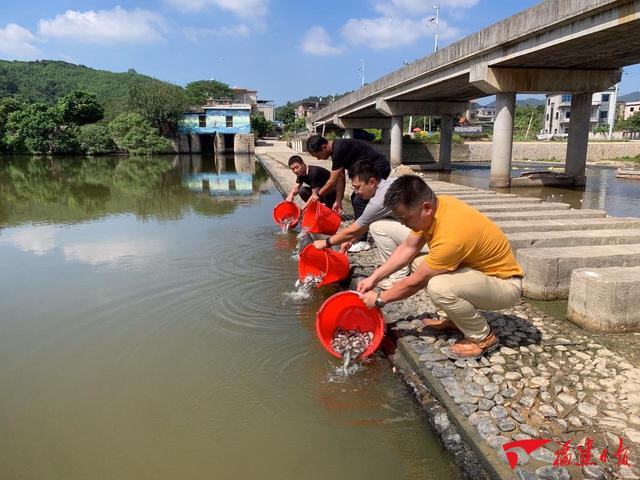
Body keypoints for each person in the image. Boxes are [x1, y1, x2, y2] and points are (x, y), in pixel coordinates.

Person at [358, 175, 524, 359]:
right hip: (478, 274)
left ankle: (484, 336)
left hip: (504, 285)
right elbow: (408, 247)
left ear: (426, 208)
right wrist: (374, 278)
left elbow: (414, 283)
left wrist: (380, 299)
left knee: (439, 286)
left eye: (405, 218)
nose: (403, 223)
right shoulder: (438, 206)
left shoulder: (451, 236)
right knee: (418, 262)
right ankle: (455, 320)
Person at [313, 161, 427, 287]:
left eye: (358, 187)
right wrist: (352, 239)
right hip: (424, 230)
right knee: (377, 223)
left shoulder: (379, 200)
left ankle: (398, 275)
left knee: (377, 227)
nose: (356, 192)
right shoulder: (390, 183)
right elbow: (360, 227)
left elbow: (355, 229)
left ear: (372, 182)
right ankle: (396, 264)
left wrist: (326, 242)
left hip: (428, 238)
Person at [306, 135, 391, 253]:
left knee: (359, 200)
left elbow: (332, 181)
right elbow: (340, 177)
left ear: (324, 147)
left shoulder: (339, 149)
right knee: (356, 198)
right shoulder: (336, 150)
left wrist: (318, 195)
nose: (319, 159)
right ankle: (362, 230)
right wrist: (338, 200)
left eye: (318, 155)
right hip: (367, 169)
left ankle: (362, 240)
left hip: (377, 167)